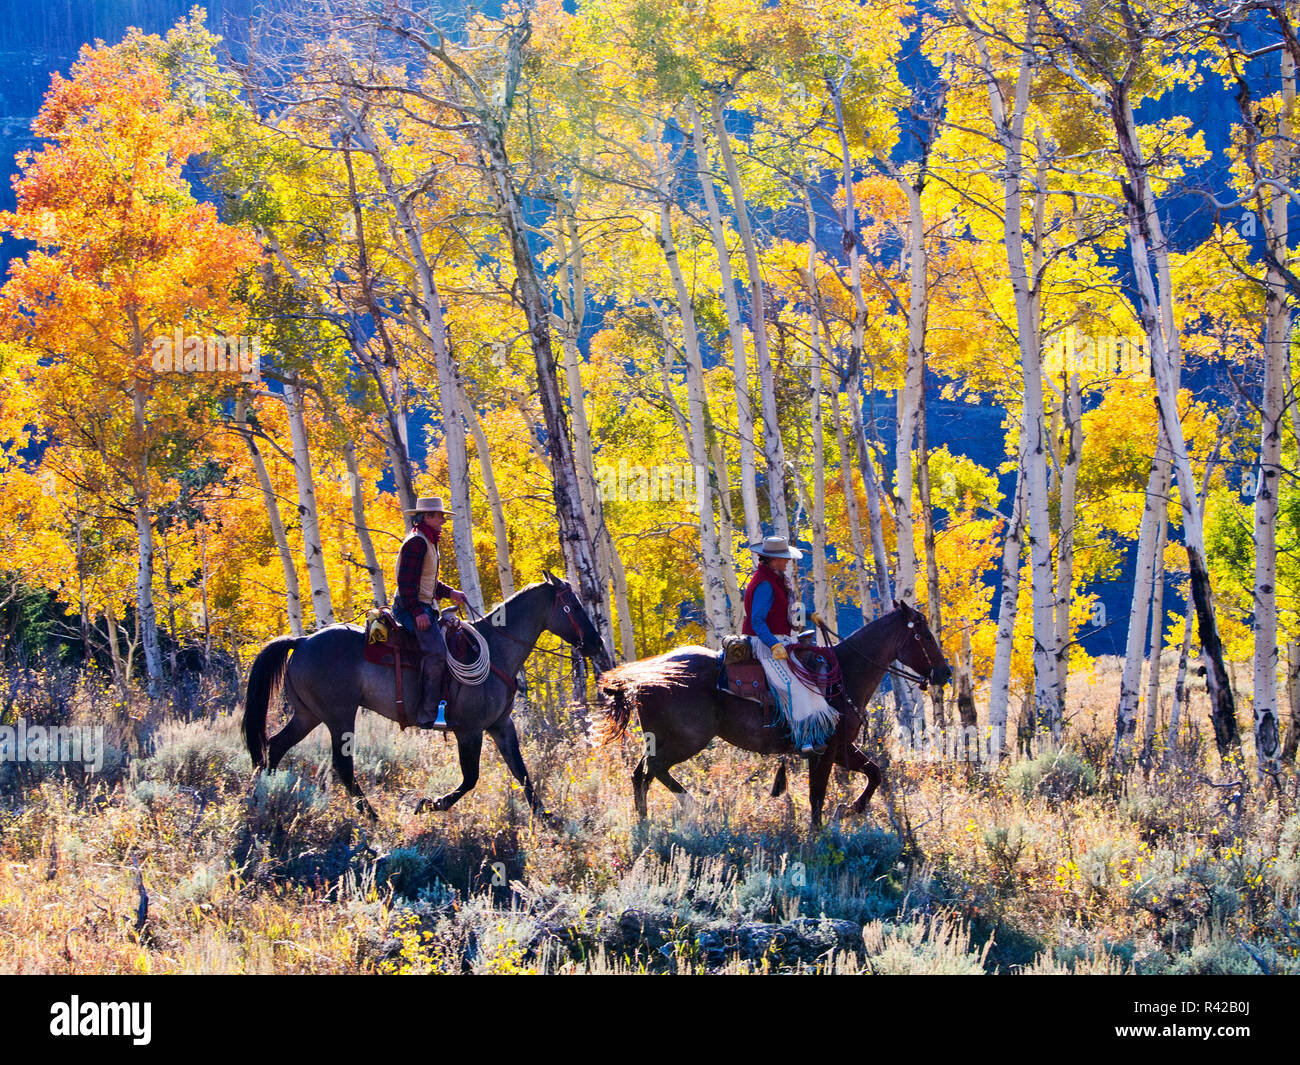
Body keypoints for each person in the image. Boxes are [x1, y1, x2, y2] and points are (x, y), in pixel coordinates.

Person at [741, 534, 838, 757]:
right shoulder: (765, 584)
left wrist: (807, 614)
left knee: (807, 681)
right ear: (772, 560)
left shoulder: (774, 580)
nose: (787, 562)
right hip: (765, 643)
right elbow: (757, 620)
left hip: (782, 641)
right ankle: (803, 740)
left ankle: (816, 734)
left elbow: (784, 613)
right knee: (792, 685)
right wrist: (773, 644)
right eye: (783, 559)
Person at [391, 496, 470, 729]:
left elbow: (425, 581)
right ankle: (427, 715)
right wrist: (417, 612)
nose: (443, 520)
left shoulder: (427, 540)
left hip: (423, 605)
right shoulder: (417, 542)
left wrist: (450, 592)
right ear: (427, 517)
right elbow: (405, 583)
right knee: (436, 653)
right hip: (409, 608)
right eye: (439, 515)